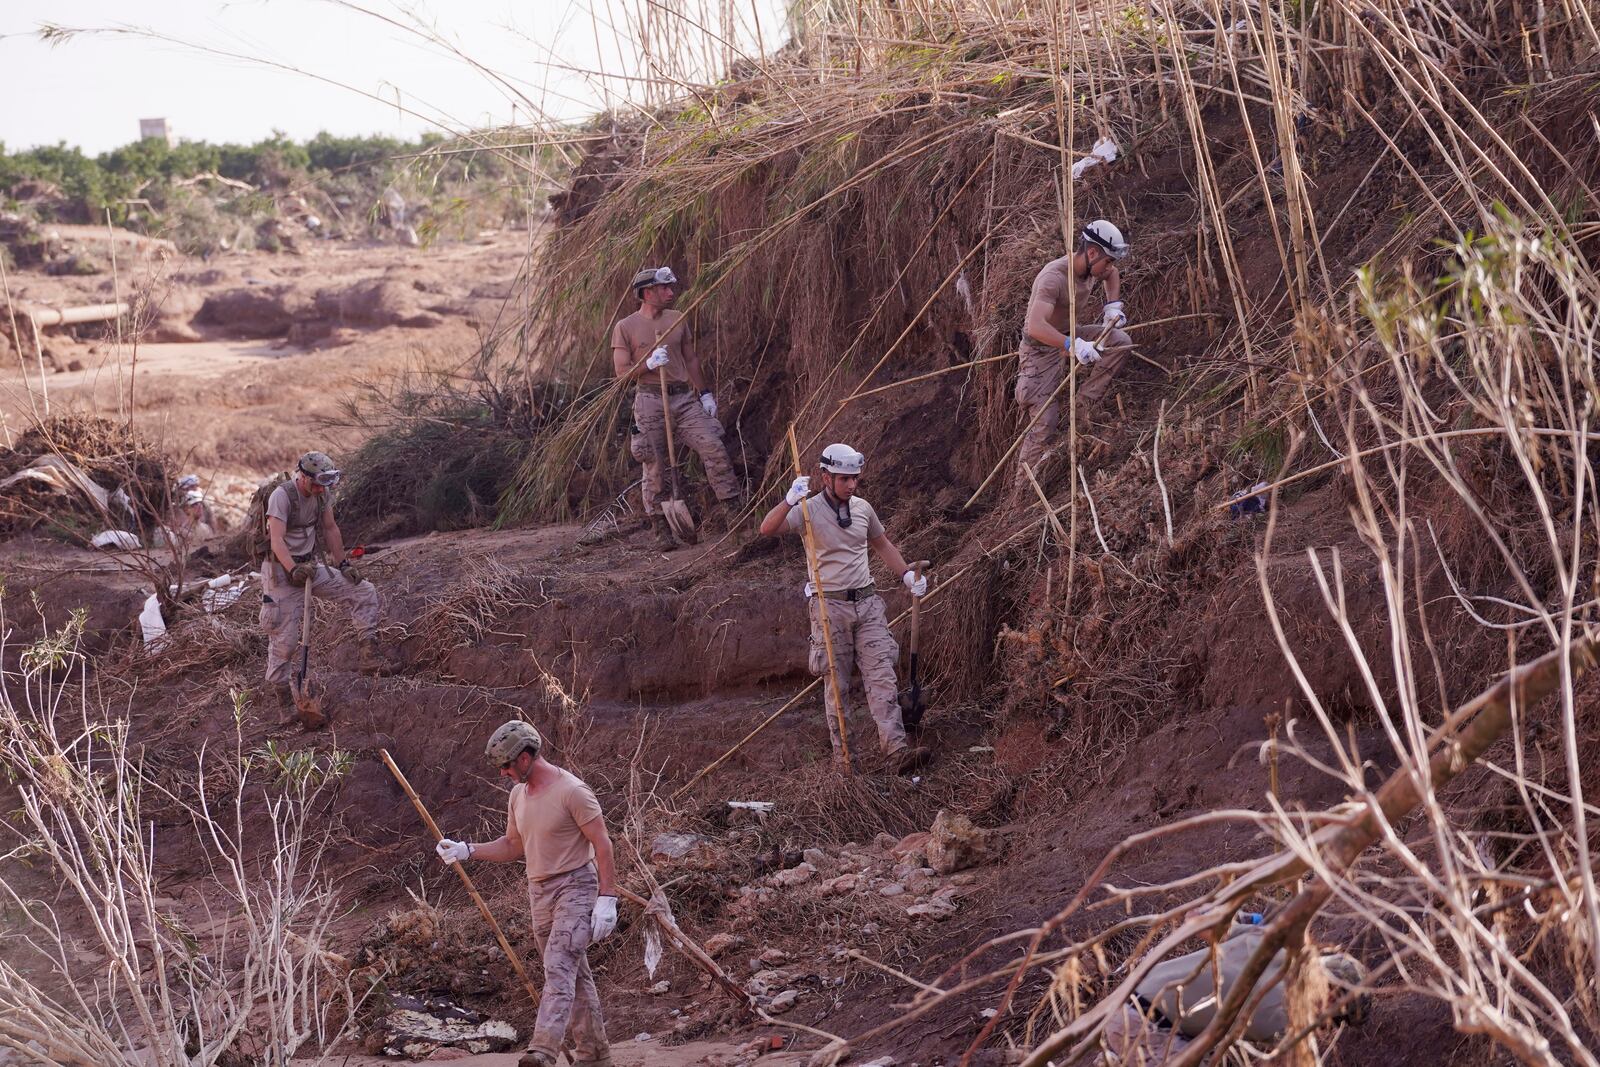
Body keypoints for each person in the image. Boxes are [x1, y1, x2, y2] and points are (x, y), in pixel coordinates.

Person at [436, 721, 618, 1067]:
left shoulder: (572, 792)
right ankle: (595, 1056)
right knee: (573, 974)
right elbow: (512, 845)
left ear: (524, 758)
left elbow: (602, 844)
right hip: (539, 891)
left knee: (558, 965)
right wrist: (467, 850)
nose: (503, 773)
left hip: (576, 886)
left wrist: (607, 898)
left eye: (505, 765)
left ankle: (543, 1052)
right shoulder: (518, 795)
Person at [758, 443, 932, 774]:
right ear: (826, 477)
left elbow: (882, 544)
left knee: (882, 674)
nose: (851, 485)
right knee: (837, 687)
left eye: (855, 479)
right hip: (829, 609)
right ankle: (846, 763)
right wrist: (789, 500)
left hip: (867, 604)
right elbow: (767, 529)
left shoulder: (863, 508)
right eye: (843, 479)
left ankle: (896, 750)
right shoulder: (806, 511)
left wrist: (906, 575)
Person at [1099, 916, 1367, 1064]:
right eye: (1334, 1016)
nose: (1325, 1024)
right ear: (1329, 994)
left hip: (1130, 998)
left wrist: (1252, 923)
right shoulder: (1283, 1015)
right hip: (1143, 1025)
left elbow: (1203, 921)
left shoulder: (1276, 943)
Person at [612, 266, 743, 548]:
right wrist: (646, 364)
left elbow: (691, 359)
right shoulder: (625, 327)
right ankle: (662, 529)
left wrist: (705, 394)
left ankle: (735, 516)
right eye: (664, 288)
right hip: (649, 400)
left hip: (684, 399)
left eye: (671, 287)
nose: (671, 293)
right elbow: (621, 372)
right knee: (654, 463)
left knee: (713, 446)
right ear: (647, 293)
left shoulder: (677, 319)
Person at [259, 451, 385, 710]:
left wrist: (343, 564)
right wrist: (293, 569)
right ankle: (285, 703)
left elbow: (330, 529)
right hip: (281, 573)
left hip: (311, 567)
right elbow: (276, 540)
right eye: (316, 483)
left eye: (325, 485)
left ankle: (369, 655)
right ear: (303, 477)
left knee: (363, 591)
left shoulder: (321, 493)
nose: (320, 489)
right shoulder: (281, 496)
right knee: (286, 640)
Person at [1015, 219, 1135, 482]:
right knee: (1044, 422)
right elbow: (1035, 326)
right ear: (1092, 253)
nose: (1110, 268)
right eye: (1108, 261)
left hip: (1070, 332)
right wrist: (1073, 346)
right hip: (1040, 349)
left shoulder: (1094, 269)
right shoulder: (1053, 277)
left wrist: (1113, 305)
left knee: (1120, 342)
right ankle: (1022, 487)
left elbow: (1111, 275)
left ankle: (1082, 406)